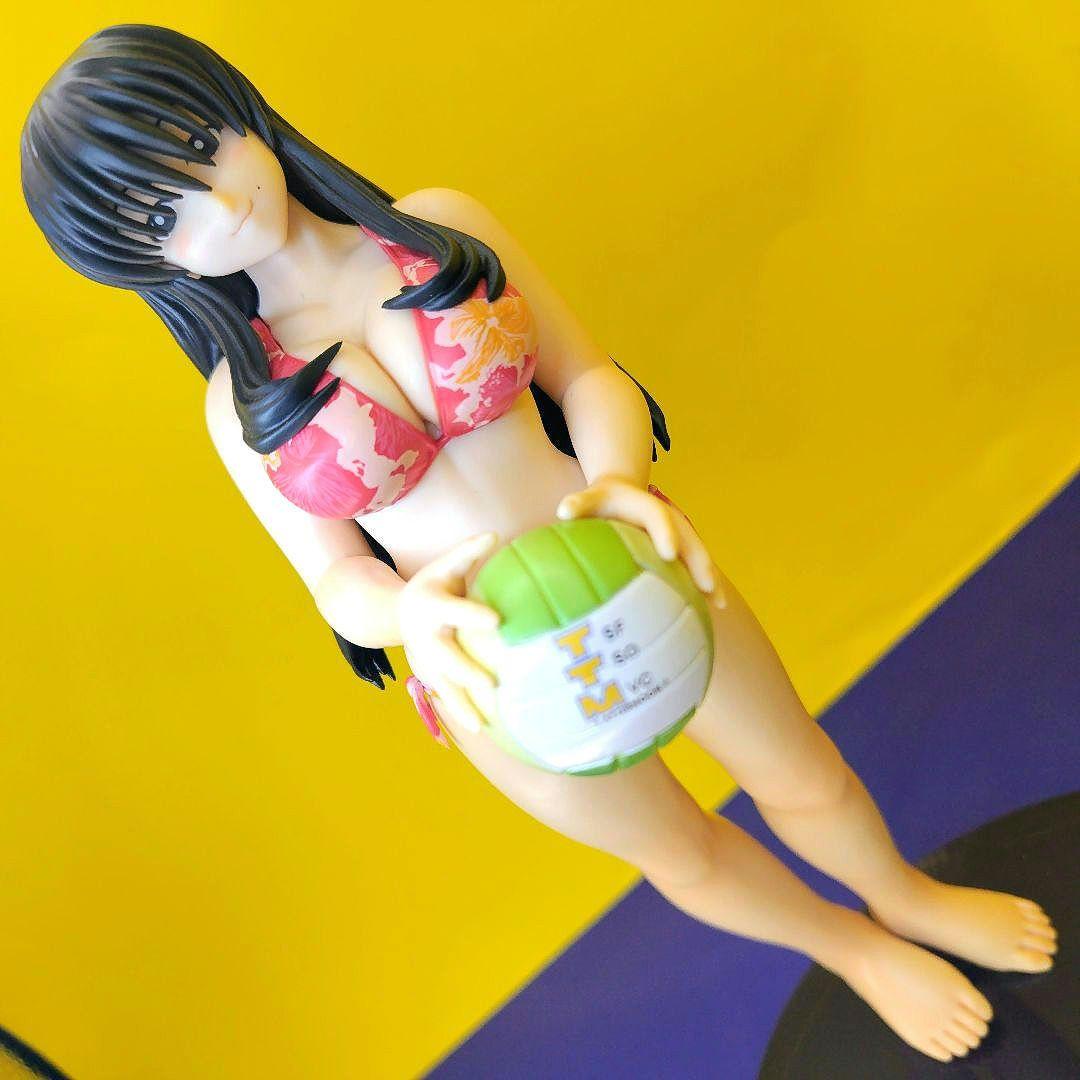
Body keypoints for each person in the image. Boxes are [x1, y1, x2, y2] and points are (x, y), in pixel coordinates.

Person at [20, 23, 1056, 1063]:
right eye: (163, 214)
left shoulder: (436, 228)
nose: (219, 202)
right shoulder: (239, 400)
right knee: (681, 854)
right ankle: (855, 952)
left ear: (239, 109)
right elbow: (333, 580)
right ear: (138, 263)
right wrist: (410, 610)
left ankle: (904, 896)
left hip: (634, 561)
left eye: (202, 148)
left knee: (804, 771)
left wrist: (619, 481)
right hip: (493, 672)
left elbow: (591, 375)